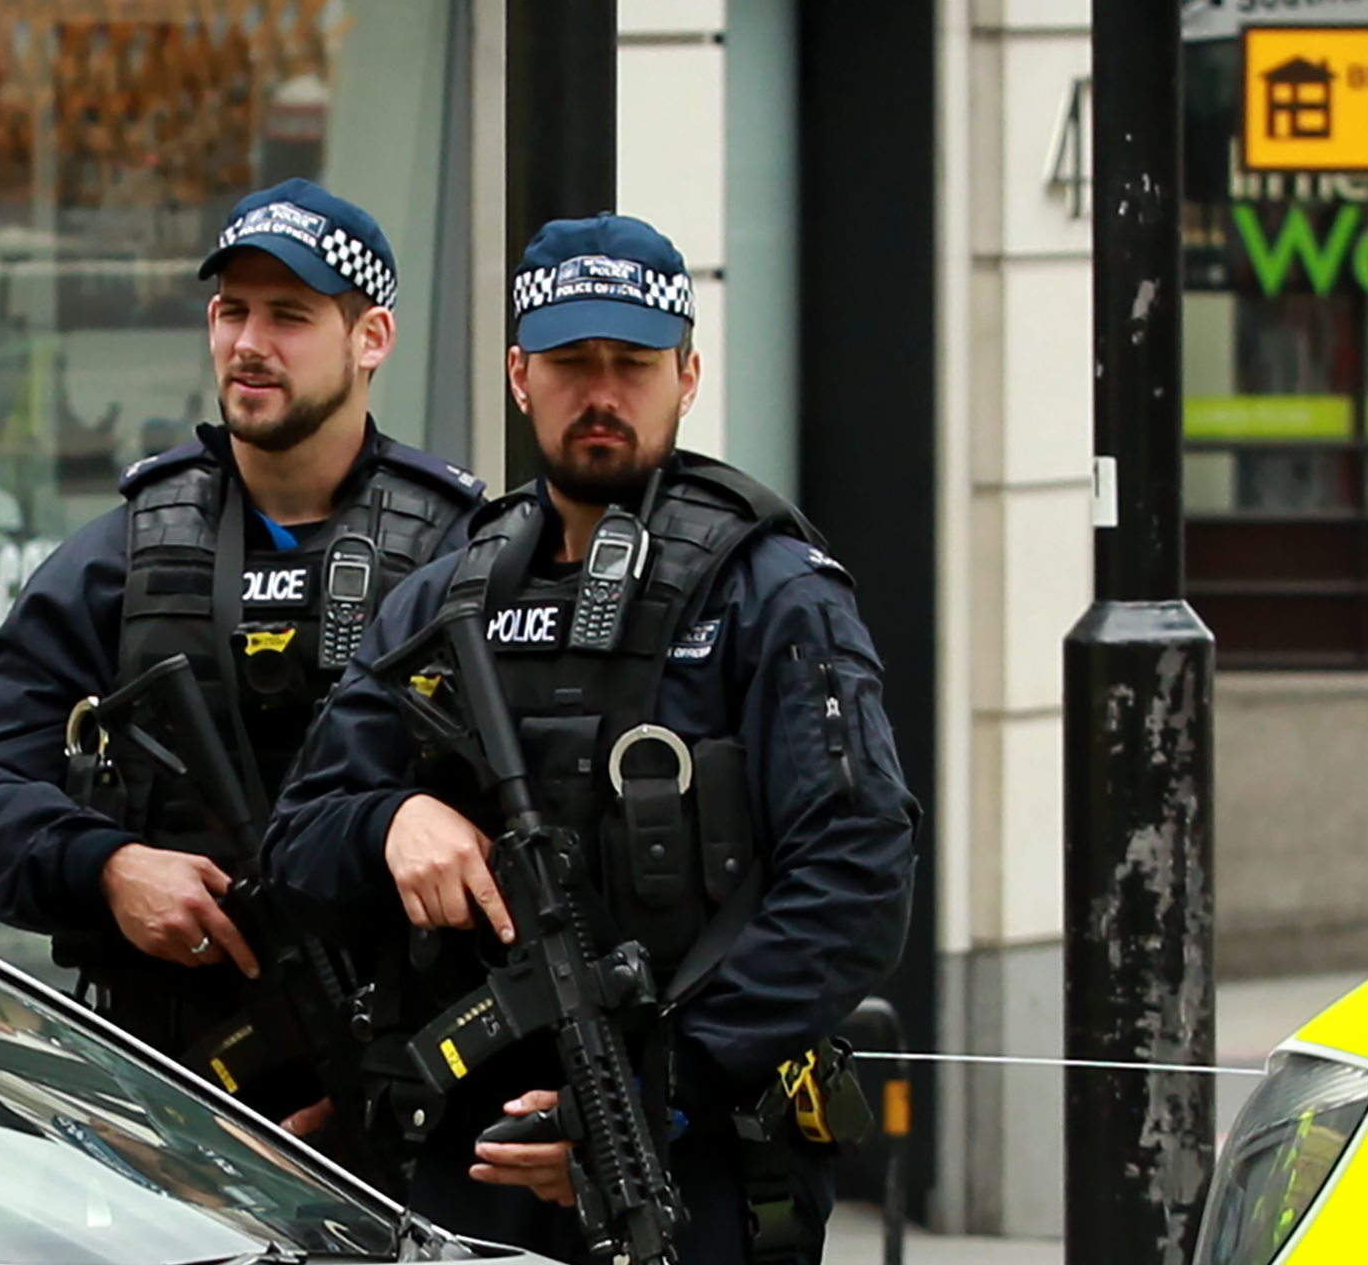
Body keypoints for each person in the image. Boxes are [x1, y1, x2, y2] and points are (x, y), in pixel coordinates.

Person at [264, 214, 921, 1263]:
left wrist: (663, 1091)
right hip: (472, 1164)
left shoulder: (770, 594)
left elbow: (856, 874)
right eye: (572, 363)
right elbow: (296, 843)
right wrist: (390, 820)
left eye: (633, 363)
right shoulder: (445, 596)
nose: (602, 392)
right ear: (520, 375)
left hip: (699, 1161)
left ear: (688, 374)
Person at [0, 179, 487, 1137]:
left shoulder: (458, 557)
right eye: (231, 311)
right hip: (167, 1100)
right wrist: (106, 867)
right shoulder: (126, 556)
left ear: (372, 338)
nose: (248, 344)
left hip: (410, 1102)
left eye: (290, 315)